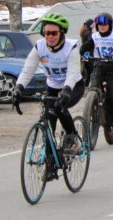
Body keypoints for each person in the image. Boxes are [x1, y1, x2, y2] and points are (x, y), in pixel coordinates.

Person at [13, 13, 84, 180]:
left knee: (60, 107)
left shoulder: (71, 47)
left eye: (54, 33)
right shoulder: (39, 47)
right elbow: (28, 69)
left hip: (73, 86)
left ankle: (73, 138)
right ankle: (51, 166)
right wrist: (18, 87)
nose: (50, 37)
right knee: (48, 127)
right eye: (46, 33)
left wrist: (66, 90)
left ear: (62, 34)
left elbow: (73, 73)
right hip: (52, 87)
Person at [80, 12, 113, 141]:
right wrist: (84, 53)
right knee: (92, 90)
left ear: (109, 25)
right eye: (100, 24)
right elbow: (84, 48)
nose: (102, 26)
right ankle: (93, 110)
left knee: (112, 95)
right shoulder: (94, 37)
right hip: (98, 67)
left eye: (104, 24)